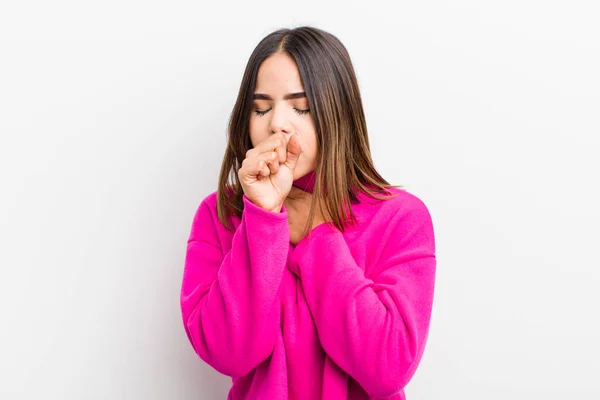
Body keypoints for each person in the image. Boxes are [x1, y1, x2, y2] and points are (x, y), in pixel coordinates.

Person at [179, 26, 437, 400]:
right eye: (261, 107)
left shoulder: (400, 218)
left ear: (337, 113)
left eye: (300, 106)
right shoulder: (220, 213)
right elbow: (228, 353)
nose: (276, 123)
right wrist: (263, 219)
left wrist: (316, 234)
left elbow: (388, 367)